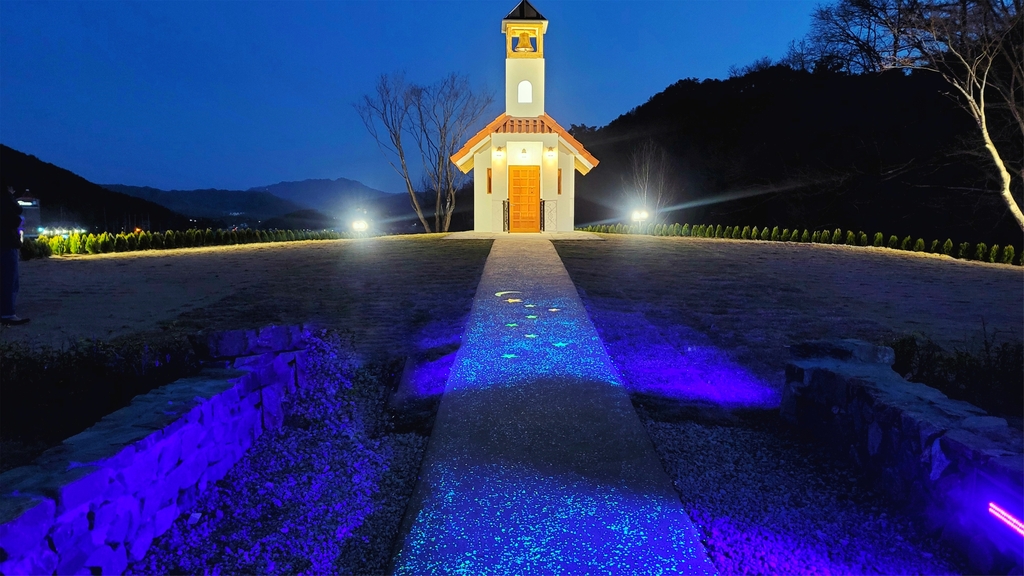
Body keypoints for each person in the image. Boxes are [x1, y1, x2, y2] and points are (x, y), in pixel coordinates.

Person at [1, 183, 29, 325]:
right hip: (5, 242)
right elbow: (16, 213)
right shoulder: (5, 199)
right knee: (9, 279)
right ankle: (7, 313)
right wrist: (10, 196)